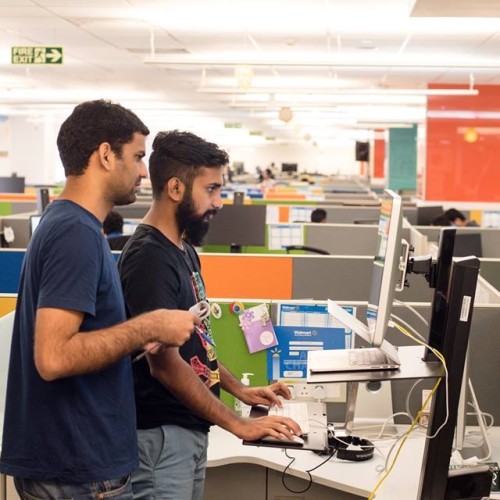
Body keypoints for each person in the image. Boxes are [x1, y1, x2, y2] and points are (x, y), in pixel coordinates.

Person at [0, 100, 200, 500]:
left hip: (76, 465)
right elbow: (54, 357)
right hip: (79, 471)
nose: (145, 171)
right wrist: (148, 325)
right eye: (139, 157)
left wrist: (137, 339)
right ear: (106, 155)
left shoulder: (70, 226)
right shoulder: (75, 234)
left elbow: (78, 341)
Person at [118, 130, 301, 500]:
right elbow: (164, 364)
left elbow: (199, 344)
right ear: (175, 188)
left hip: (184, 432)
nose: (219, 201)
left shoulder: (182, 249)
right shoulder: (149, 259)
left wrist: (241, 390)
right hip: (160, 438)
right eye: (211, 189)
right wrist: (238, 425)